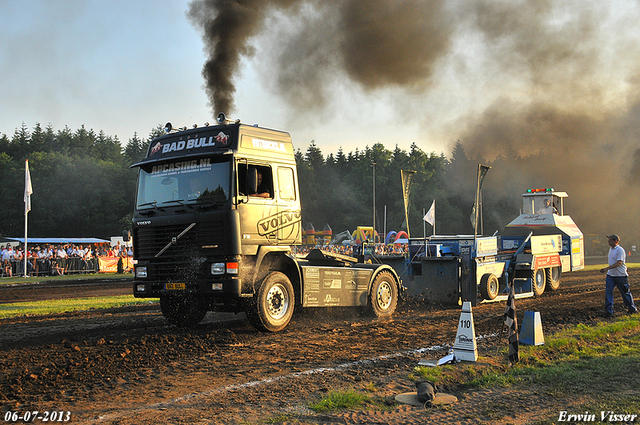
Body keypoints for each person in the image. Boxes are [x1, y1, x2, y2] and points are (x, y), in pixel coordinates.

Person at [600, 234, 638, 316]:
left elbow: (619, 262)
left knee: (625, 293)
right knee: (608, 292)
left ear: (616, 241)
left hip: (620, 275)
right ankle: (608, 311)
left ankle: (632, 309)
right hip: (611, 275)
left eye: (610, 240)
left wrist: (607, 268)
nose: (608, 241)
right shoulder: (611, 249)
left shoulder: (620, 250)